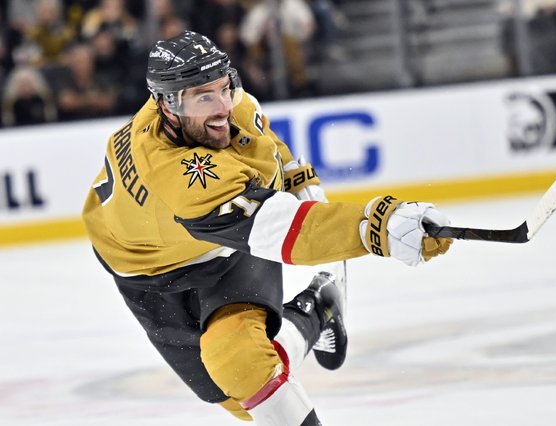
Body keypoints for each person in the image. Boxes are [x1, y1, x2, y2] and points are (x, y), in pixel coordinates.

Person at [81, 30, 453, 425]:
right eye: (203, 96)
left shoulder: (232, 110)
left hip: (224, 248)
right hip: (144, 273)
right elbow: (288, 230)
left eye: (225, 87)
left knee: (241, 365)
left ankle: (309, 317)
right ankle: (316, 312)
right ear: (167, 106)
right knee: (239, 402)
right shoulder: (175, 172)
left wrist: (321, 201)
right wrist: (376, 227)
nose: (222, 106)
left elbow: (277, 160)